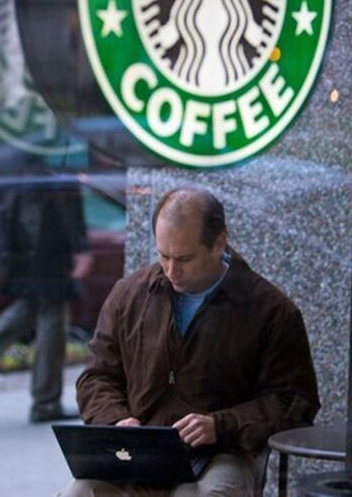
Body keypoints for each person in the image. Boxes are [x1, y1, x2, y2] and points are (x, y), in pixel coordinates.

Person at [57, 187, 320, 496]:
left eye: (184, 259)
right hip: (138, 451)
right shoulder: (129, 295)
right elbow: (96, 377)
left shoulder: (271, 310)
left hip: (223, 451)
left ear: (219, 243)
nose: (171, 271)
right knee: (79, 492)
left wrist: (219, 426)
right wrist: (116, 420)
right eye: (162, 256)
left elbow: (295, 401)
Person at [0, 158, 92, 423]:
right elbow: (66, 190)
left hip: (23, 236)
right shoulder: (53, 141)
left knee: (32, 306)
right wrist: (80, 245)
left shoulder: (19, 141)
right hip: (45, 239)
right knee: (53, 313)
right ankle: (45, 402)